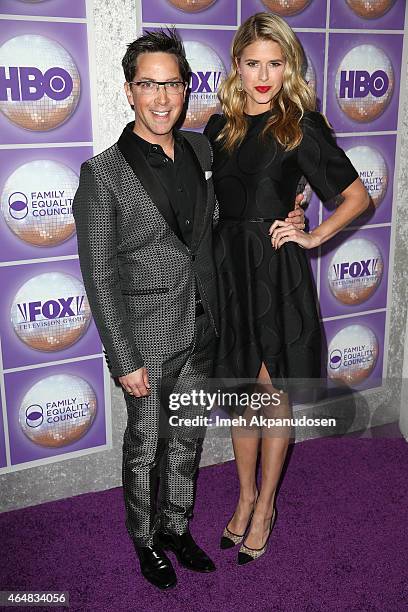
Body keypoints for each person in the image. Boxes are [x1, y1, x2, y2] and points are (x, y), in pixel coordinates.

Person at [204, 12, 369, 565]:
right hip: (230, 277)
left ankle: (267, 504)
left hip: (275, 276)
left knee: (272, 397)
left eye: (276, 63)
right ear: (237, 65)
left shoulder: (300, 125)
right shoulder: (217, 128)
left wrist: (312, 232)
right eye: (253, 63)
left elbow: (356, 196)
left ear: (289, 65)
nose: (264, 74)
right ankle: (244, 495)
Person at [73, 29, 222, 591]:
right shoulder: (103, 174)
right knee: (144, 445)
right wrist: (123, 356)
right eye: (148, 85)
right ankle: (144, 539)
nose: (162, 98)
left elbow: (225, 220)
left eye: (173, 84)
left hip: (201, 327)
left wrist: (297, 207)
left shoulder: (202, 151)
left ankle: (177, 527)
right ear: (130, 90)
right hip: (146, 340)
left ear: (186, 88)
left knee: (187, 438)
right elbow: (101, 275)